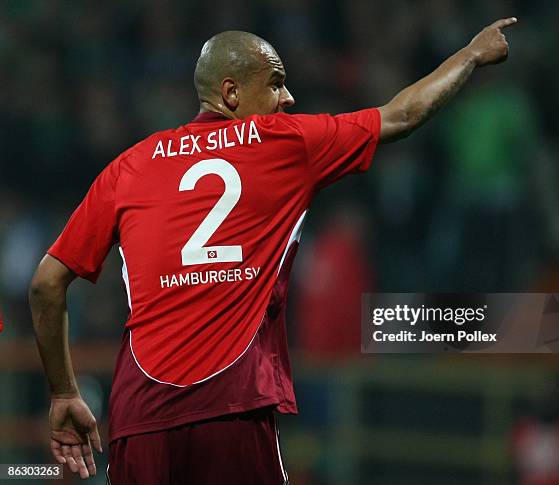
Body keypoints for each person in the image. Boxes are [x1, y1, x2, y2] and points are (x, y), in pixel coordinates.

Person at [29, 18, 516, 484]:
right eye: (276, 82)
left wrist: (64, 392)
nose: (289, 96)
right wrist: (470, 55)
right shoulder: (284, 142)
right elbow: (403, 114)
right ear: (232, 93)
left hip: (139, 418)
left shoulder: (128, 167)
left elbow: (46, 284)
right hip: (232, 408)